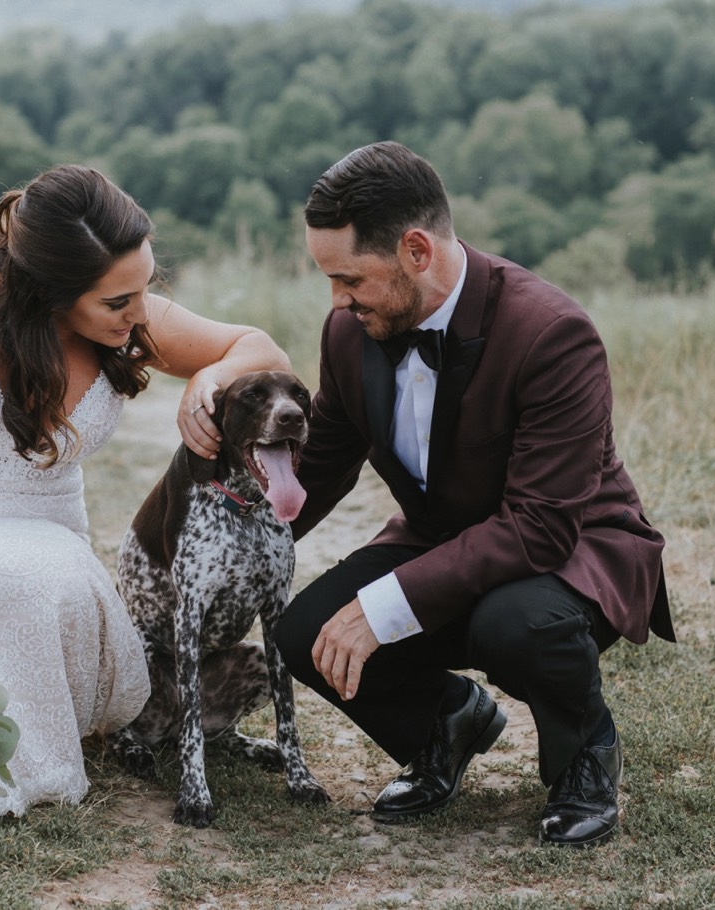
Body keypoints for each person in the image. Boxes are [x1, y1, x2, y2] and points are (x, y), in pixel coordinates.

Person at [0, 164, 291, 818]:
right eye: (116, 302)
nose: (137, 313)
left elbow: (259, 348)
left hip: (43, 529)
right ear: (48, 290)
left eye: (143, 290)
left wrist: (210, 381)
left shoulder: (130, 313)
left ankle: (2, 749)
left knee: (55, 583)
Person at [275, 141, 674, 847]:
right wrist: (235, 538)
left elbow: (541, 527)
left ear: (416, 251)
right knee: (304, 631)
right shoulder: (349, 331)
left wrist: (384, 607)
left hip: (572, 549)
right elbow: (320, 466)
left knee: (512, 620)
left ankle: (585, 753)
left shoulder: (552, 333)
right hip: (443, 538)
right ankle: (446, 723)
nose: (336, 300)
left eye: (348, 279)